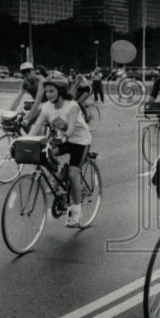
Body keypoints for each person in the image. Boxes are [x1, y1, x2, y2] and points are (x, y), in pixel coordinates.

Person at [29, 74, 94, 228]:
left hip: (79, 141)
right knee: (45, 156)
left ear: (61, 91)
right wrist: (25, 139)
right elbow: (36, 126)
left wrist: (64, 137)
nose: (48, 94)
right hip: (62, 139)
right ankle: (59, 183)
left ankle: (76, 214)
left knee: (73, 173)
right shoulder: (46, 107)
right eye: (46, 91)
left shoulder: (72, 105)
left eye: (51, 91)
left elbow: (71, 128)